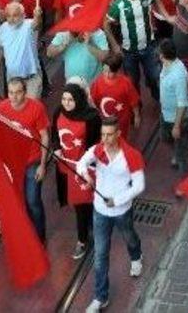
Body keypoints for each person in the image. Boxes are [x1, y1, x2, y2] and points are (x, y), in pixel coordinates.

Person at [78, 116, 146, 312]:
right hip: (100, 210)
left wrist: (117, 200)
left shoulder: (131, 155)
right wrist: (86, 176)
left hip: (122, 210)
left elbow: (139, 185)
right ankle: (101, 297)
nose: (105, 140)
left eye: (109, 135)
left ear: (118, 134)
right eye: (102, 135)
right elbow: (81, 163)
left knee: (129, 237)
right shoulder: (97, 150)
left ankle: (136, 256)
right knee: (100, 255)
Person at [52, 82, 102, 259]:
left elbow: (96, 144)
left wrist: (87, 164)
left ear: (79, 100)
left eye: (70, 100)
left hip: (83, 168)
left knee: (82, 203)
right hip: (65, 167)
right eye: (64, 99)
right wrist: (57, 148)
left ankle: (82, 240)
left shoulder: (91, 117)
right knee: (78, 204)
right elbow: (54, 134)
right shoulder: (59, 111)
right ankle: (88, 226)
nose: (66, 103)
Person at [0, 76, 49, 242]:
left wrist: (42, 165)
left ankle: (40, 236)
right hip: (14, 164)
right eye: (11, 93)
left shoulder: (36, 108)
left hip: (33, 162)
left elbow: (44, 136)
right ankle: (29, 233)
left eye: (18, 92)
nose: (14, 97)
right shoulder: (2, 107)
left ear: (25, 93)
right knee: (22, 201)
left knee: (33, 200)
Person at [105, 0, 160, 100]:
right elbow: (106, 23)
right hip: (129, 52)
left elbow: (155, 0)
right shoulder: (119, 4)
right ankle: (137, 104)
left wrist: (165, 15)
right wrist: (114, 45)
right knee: (132, 82)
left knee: (153, 76)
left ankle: (156, 97)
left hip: (148, 46)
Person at [158, 37, 188, 174]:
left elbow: (182, 102)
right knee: (165, 137)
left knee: (181, 146)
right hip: (166, 114)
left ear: (162, 55)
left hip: (180, 119)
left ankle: (184, 175)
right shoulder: (168, 64)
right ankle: (178, 152)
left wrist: (177, 126)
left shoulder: (178, 74)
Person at [0, 1, 44, 97]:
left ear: (23, 15)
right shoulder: (3, 28)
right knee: (16, 108)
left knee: (30, 108)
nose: (11, 19)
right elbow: (0, 48)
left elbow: (37, 24)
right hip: (13, 79)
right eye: (8, 16)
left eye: (15, 15)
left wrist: (37, 16)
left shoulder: (29, 25)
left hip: (31, 78)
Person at [90, 55, 141, 137]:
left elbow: (134, 101)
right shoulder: (98, 82)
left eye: (110, 72)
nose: (106, 74)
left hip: (121, 122)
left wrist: (137, 116)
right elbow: (93, 102)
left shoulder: (126, 83)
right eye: (104, 71)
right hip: (104, 121)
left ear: (117, 71)